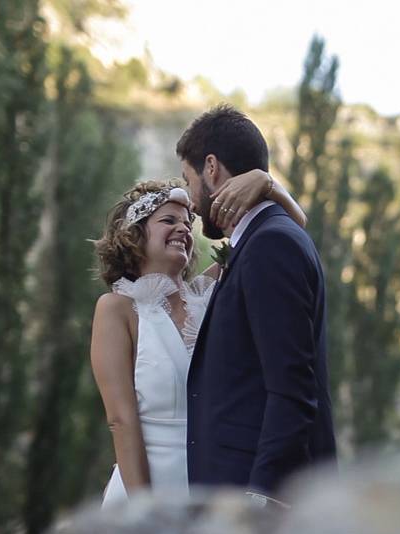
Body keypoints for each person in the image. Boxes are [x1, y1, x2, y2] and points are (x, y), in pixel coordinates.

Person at [91, 169, 305, 507]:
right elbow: (121, 418)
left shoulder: (211, 294)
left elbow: (289, 228)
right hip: (145, 492)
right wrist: (144, 511)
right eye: (168, 220)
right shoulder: (117, 309)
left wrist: (268, 184)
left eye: (188, 223)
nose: (183, 228)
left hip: (212, 488)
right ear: (135, 234)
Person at [177, 105, 336, 508]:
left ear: (211, 167)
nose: (192, 205)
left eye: (188, 180)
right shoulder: (260, 240)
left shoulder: (271, 244)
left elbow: (293, 387)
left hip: (256, 497)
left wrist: (262, 495)